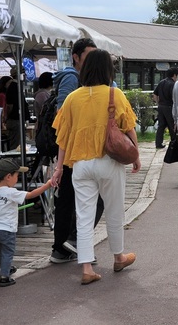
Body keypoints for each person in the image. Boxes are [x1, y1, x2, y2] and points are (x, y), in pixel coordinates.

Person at [51, 49, 140, 285]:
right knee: (114, 209)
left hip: (80, 165)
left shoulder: (72, 98)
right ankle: (118, 257)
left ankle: (87, 268)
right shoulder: (114, 94)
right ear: (107, 69)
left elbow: (63, 137)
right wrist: (136, 155)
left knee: (84, 215)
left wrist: (59, 168)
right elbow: (128, 126)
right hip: (109, 162)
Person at [49, 37, 100, 264]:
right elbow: (62, 117)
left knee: (72, 199)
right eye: (88, 56)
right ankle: (68, 244)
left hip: (76, 151)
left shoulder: (85, 79)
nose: (93, 61)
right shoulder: (72, 77)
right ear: (76, 57)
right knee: (75, 200)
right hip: (72, 150)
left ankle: (64, 248)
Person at [0, 158, 52, 287]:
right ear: (8, 177)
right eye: (17, 176)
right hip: (7, 229)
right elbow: (31, 195)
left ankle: (6, 268)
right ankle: (4, 277)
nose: (17, 179)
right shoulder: (11, 192)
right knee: (8, 251)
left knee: (3, 250)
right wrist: (47, 185)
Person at [4, 66, 30, 150]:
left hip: (17, 119)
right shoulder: (13, 87)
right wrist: (7, 117)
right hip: (15, 120)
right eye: (24, 74)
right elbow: (9, 105)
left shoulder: (16, 86)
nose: (25, 76)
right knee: (16, 145)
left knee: (18, 144)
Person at [153, 67, 178, 149]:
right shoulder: (173, 84)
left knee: (161, 126)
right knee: (172, 126)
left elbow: (155, 95)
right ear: (174, 75)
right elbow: (175, 97)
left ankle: (158, 143)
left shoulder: (161, 82)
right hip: (169, 107)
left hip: (161, 106)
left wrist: (158, 103)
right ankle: (174, 143)